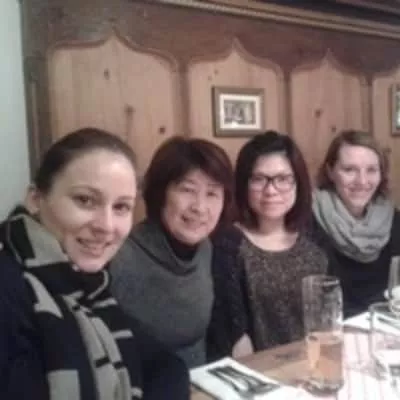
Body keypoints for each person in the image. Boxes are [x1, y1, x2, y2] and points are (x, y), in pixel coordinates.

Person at [0, 128, 189, 399]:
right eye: (85, 200)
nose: (106, 226)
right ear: (36, 199)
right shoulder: (10, 287)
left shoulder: (86, 285)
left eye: (121, 207)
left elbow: (166, 365)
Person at [110, 136, 233, 368]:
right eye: (187, 190)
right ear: (160, 194)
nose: (199, 207)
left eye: (212, 194)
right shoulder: (120, 257)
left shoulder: (206, 248)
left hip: (200, 381)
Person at [207, 131, 327, 361]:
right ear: (244, 184)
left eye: (283, 179)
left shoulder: (314, 237)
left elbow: (330, 312)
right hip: (259, 370)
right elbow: (235, 338)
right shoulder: (228, 243)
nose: (271, 190)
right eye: (259, 179)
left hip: (316, 361)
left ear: (298, 183)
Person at [311, 130, 400, 317]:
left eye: (371, 170)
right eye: (349, 170)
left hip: (387, 325)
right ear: (330, 172)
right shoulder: (308, 220)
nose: (362, 181)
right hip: (333, 327)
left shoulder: (394, 219)